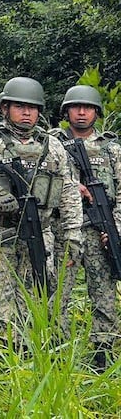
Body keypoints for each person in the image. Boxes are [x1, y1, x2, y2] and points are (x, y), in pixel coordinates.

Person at [0, 77, 81, 347]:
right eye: (19, 106)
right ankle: (4, 358)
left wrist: (73, 235)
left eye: (32, 107)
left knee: (34, 293)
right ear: (4, 108)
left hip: (39, 234)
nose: (26, 113)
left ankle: (29, 353)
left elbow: (69, 192)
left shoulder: (53, 146)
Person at [50, 84, 121, 370]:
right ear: (66, 111)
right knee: (58, 293)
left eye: (88, 107)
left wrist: (114, 230)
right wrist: (68, 186)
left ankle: (103, 352)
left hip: (99, 232)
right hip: (64, 229)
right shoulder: (52, 143)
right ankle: (56, 350)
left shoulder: (111, 149)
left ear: (96, 112)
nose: (81, 112)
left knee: (104, 292)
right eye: (76, 107)